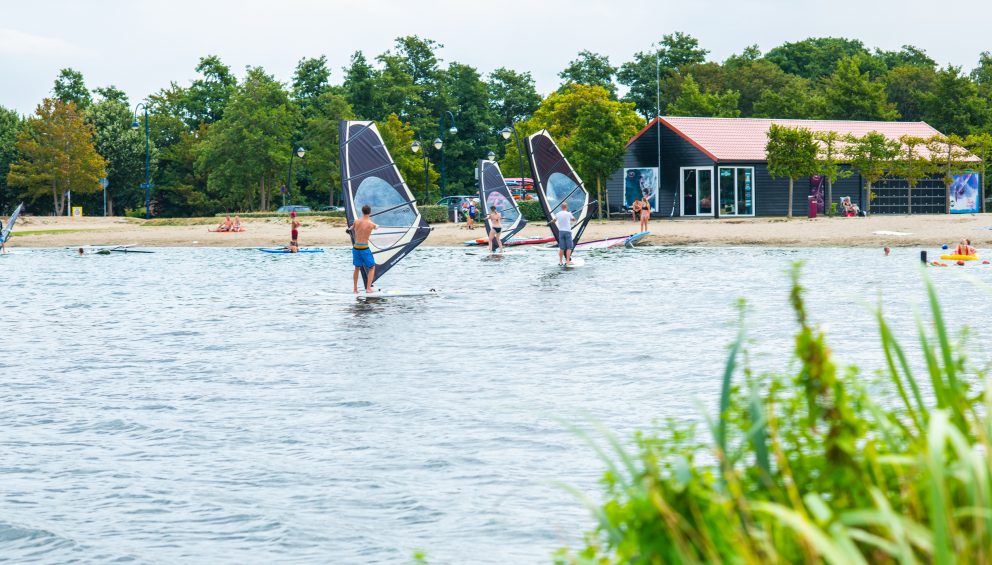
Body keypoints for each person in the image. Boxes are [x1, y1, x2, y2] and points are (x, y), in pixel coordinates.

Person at [350, 204, 378, 293]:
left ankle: (355, 289)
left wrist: (349, 228)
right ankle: (368, 288)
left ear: (362, 212)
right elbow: (376, 227)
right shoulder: (371, 224)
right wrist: (377, 226)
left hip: (356, 247)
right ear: (370, 212)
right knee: (372, 267)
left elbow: (351, 228)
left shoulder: (356, 222)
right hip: (364, 248)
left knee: (357, 268)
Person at [553, 201, 575, 266]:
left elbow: (554, 221)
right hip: (568, 232)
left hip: (561, 232)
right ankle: (568, 261)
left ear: (561, 207)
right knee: (569, 247)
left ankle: (560, 262)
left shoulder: (558, 214)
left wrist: (553, 220)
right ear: (566, 207)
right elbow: (573, 219)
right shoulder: (568, 214)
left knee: (562, 248)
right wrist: (571, 214)